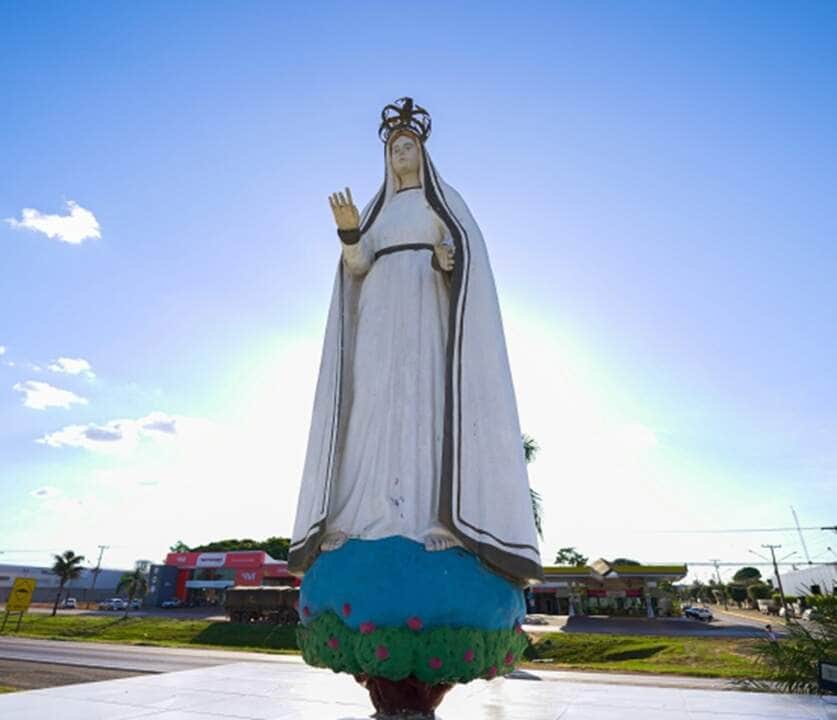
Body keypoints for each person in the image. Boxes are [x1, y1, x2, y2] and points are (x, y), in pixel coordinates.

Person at [289, 97, 542, 587]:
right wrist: (348, 234)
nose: (399, 155)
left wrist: (449, 262)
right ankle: (354, 516)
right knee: (369, 409)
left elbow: (465, 254)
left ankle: (433, 516)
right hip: (378, 315)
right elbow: (357, 267)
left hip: (426, 312)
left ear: (423, 154)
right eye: (393, 149)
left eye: (407, 147)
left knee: (423, 405)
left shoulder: (441, 204)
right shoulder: (375, 212)